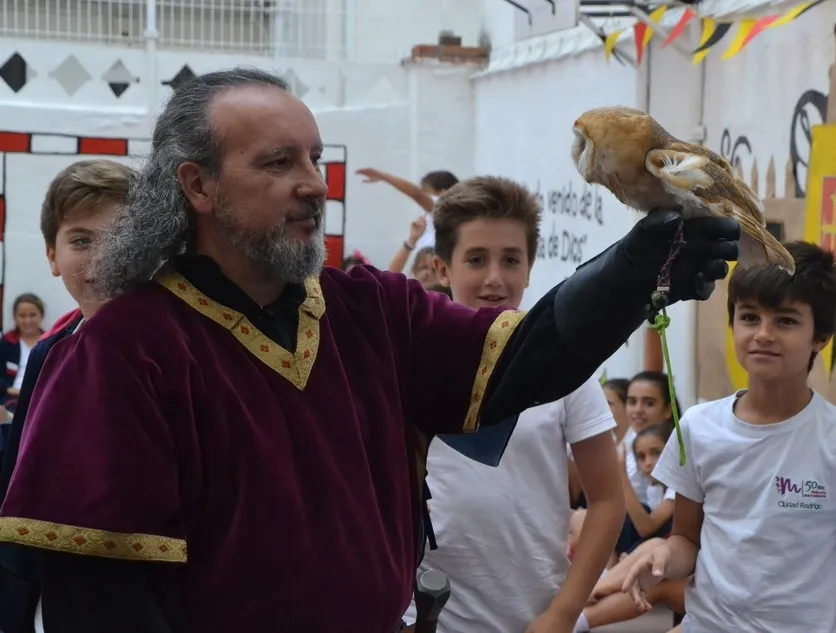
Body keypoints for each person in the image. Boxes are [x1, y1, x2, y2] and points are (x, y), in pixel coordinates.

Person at [0, 68, 739, 633]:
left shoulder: (369, 308)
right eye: (278, 162)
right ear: (197, 184)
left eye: (315, 159)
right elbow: (102, 600)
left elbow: (524, 360)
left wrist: (636, 267)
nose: (313, 185)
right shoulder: (125, 350)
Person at [623, 241, 836, 632]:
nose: (764, 334)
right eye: (750, 317)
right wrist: (663, 559)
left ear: (820, 336)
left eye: (786, 321)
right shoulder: (699, 428)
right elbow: (687, 540)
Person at [401, 177, 625, 633]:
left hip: (536, 620)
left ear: (529, 266)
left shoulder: (564, 368)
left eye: (510, 260)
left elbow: (606, 500)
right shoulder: (408, 362)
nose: (495, 278)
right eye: (476, 259)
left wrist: (562, 614)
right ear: (442, 268)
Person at [0, 159, 136, 633]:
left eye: (123, 239)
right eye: (81, 240)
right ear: (52, 257)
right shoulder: (48, 355)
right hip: (63, 593)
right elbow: (20, 477)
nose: (102, 258)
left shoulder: (180, 350)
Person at [357, 167, 458, 274]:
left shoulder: (447, 211)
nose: (424, 197)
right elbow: (393, 273)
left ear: (444, 193)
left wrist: (384, 177)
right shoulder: (426, 224)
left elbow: (417, 195)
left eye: (426, 191)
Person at [0, 294, 46, 414]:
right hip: (11, 398)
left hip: (41, 398)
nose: (28, 320)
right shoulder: (6, 342)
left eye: (32, 315)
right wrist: (10, 390)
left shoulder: (50, 343)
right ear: (15, 317)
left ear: (41, 315)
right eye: (22, 316)